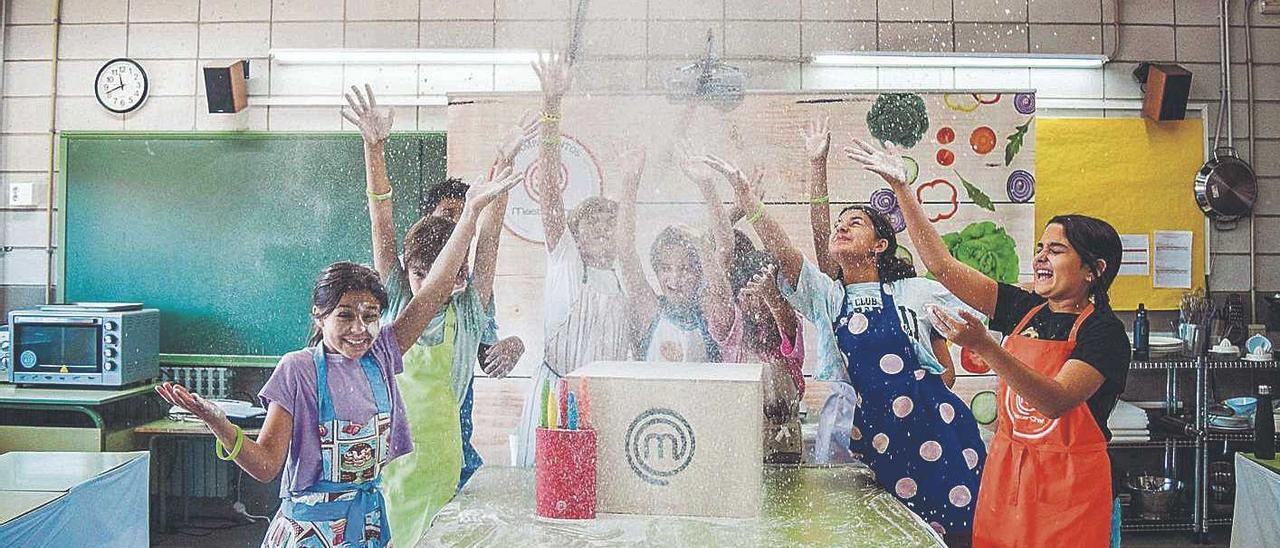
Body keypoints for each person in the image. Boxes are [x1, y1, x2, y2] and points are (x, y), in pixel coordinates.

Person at [153, 170, 520, 547]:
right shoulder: (299, 369)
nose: (359, 328)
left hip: (369, 527)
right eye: (344, 315)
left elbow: (439, 284)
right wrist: (218, 423)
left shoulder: (382, 355)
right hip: (310, 533)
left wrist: (473, 213)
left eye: (370, 315)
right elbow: (264, 466)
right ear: (320, 315)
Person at [846, 138, 1129, 547]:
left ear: (1093, 270)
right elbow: (942, 267)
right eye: (1039, 249)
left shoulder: (1103, 332)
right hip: (1008, 476)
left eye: (1056, 250)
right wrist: (901, 189)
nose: (1041, 258)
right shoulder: (1024, 309)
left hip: (1070, 491)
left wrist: (985, 347)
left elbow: (1055, 400)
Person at [702, 154, 987, 544]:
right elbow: (786, 253)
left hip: (940, 435)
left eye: (855, 223)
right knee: (891, 536)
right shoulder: (829, 299)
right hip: (880, 444)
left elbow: (978, 307)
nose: (841, 227)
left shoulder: (914, 293)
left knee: (959, 534)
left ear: (880, 246)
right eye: (839, 223)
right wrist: (748, 200)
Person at [343, 85, 530, 540]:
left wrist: (504, 165)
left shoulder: (467, 312)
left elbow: (488, 244)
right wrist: (374, 147)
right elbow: (381, 221)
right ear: (406, 270)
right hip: (386, 467)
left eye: (441, 274)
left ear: (459, 276)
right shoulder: (391, 305)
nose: (429, 286)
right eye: (420, 273)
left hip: (443, 469)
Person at [514, 52, 632, 466]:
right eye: (592, 222)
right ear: (574, 233)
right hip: (557, 399)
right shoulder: (565, 262)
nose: (602, 229)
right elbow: (549, 192)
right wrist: (551, 109)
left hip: (609, 403)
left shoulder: (625, 280)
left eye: (610, 223)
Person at [616, 151, 737, 363]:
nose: (675, 279)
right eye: (666, 268)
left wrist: (707, 186)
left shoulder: (711, 316)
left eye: (685, 269)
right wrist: (630, 183)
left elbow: (725, 251)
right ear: (656, 271)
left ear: (700, 271)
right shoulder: (650, 311)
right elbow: (626, 253)